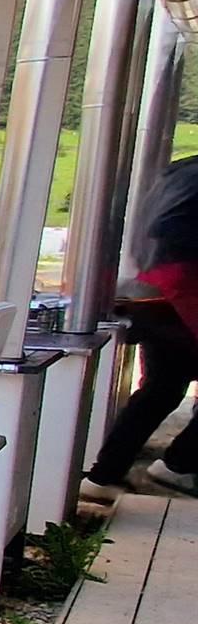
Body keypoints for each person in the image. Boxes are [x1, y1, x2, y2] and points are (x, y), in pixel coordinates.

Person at [87, 155, 198, 500]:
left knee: (162, 387)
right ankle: (179, 465)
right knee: (163, 386)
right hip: (183, 285)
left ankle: (103, 476)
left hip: (152, 292)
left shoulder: (180, 170)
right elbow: (172, 234)